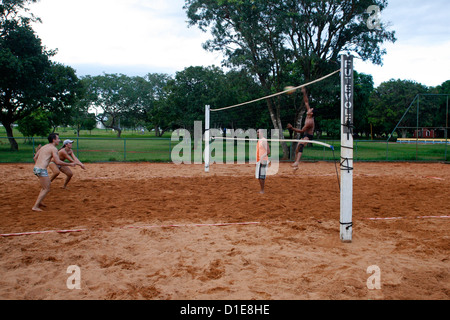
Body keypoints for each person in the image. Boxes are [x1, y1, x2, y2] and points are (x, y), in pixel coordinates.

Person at [32, 133, 76, 211]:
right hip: (41, 170)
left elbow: (35, 157)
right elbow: (58, 161)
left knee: (45, 186)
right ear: (53, 140)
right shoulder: (54, 149)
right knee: (46, 188)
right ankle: (35, 206)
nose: (59, 140)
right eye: (58, 138)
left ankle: (40, 201)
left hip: (36, 169)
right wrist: (70, 164)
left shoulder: (44, 146)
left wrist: (38, 165)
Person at [287, 87, 315, 169]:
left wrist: (292, 128)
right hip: (305, 135)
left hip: (308, 136)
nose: (309, 109)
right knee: (297, 150)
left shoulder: (310, 122)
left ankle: (296, 162)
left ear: (312, 113)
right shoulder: (308, 114)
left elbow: (302, 131)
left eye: (311, 109)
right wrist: (304, 93)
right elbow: (306, 102)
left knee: (301, 145)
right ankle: (296, 165)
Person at [255, 129, 270, 194]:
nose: (257, 133)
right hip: (259, 161)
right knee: (259, 176)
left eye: (259, 132)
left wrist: (262, 157)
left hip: (263, 161)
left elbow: (268, 151)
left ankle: (262, 190)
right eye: (257, 132)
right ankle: (262, 190)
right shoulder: (259, 140)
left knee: (261, 176)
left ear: (262, 133)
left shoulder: (263, 141)